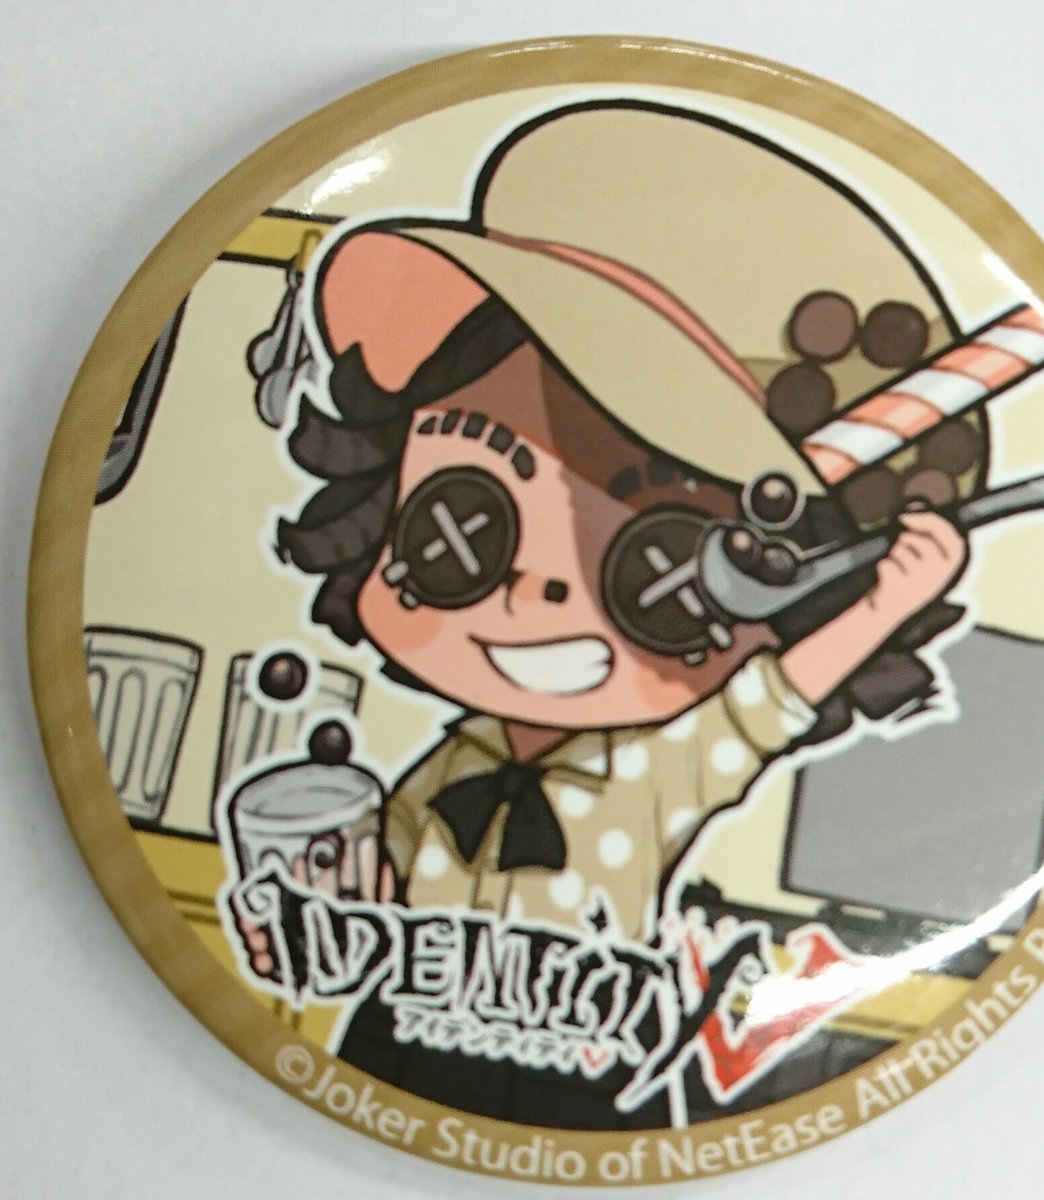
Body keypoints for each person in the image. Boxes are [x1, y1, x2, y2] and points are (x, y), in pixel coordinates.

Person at [240, 100, 973, 1127]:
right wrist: (317, 928)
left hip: (590, 1076)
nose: (537, 591)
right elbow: (380, 884)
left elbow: (774, 698)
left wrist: (887, 601)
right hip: (389, 1046)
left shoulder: (660, 766)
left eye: (645, 563)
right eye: (466, 519)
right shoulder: (447, 765)